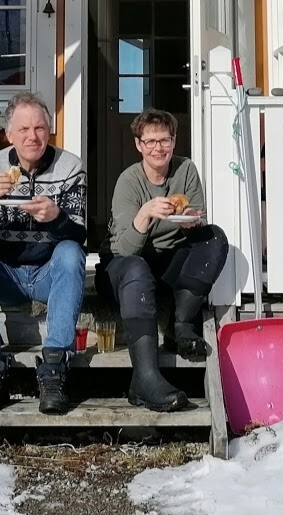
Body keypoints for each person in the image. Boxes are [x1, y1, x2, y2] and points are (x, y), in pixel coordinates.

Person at [0, 92, 87, 415]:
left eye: (40, 128)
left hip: (47, 273)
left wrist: (57, 218)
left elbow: (80, 236)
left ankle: (55, 366)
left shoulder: (69, 167)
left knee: (70, 253)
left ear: (49, 131)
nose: (32, 136)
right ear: (9, 134)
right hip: (6, 272)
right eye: (23, 130)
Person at [99, 109, 229, 412]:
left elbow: (196, 218)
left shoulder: (185, 171)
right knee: (135, 266)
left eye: (165, 140)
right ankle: (144, 377)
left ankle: (181, 326)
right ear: (138, 144)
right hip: (123, 266)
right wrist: (144, 214)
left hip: (166, 261)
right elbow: (126, 249)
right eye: (151, 141)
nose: (158, 148)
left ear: (174, 141)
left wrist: (190, 224)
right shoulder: (128, 182)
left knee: (214, 238)